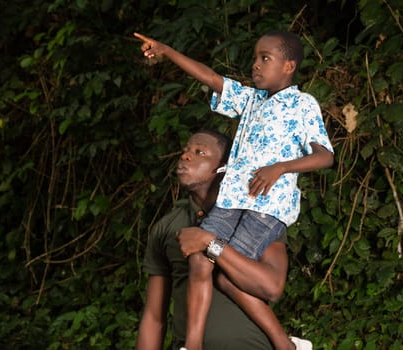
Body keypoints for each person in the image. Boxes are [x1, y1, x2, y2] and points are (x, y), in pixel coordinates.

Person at [135, 30, 334, 350]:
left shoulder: (302, 104)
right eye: (255, 57)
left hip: (266, 207)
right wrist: (167, 50)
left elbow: (325, 156)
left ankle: (286, 346)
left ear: (289, 66)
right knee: (200, 260)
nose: (255, 65)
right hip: (231, 200)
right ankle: (193, 345)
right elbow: (212, 78)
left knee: (228, 277)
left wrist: (280, 167)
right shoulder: (251, 100)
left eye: (265, 59)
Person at [136, 130, 290, 350]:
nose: (186, 156)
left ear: (225, 167)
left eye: (200, 152)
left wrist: (210, 242)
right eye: (186, 151)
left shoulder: (256, 219)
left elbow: (271, 287)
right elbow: (153, 317)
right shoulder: (167, 227)